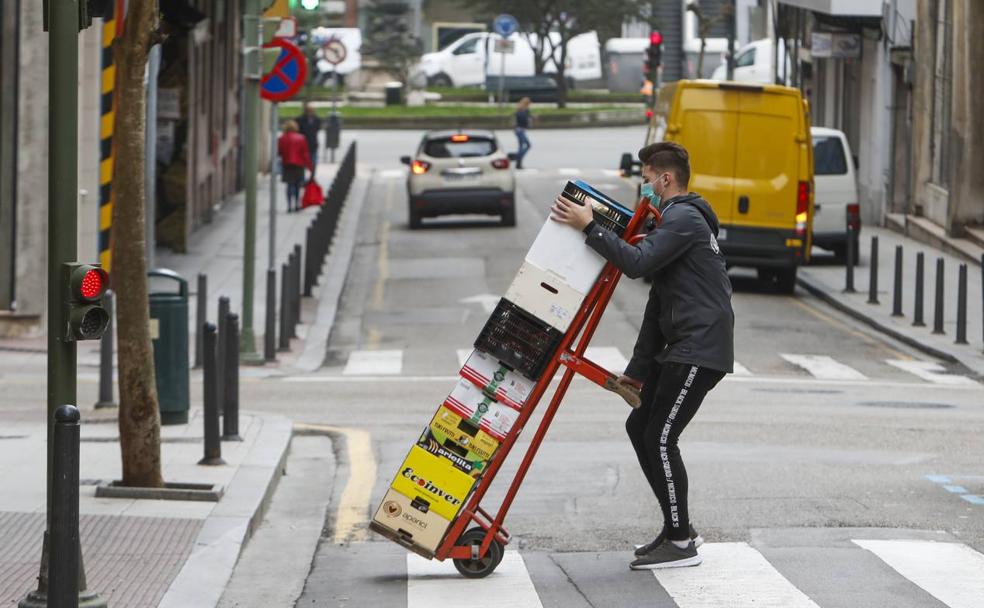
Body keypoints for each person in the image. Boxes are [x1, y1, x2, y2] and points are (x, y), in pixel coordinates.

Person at [550, 141, 734, 570]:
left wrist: (589, 226)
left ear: (665, 178)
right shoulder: (674, 220)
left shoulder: (683, 218)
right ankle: (677, 528)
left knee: (661, 437)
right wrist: (636, 372)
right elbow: (655, 307)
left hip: (700, 348)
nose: (644, 185)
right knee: (640, 427)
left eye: (647, 177)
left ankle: (680, 541)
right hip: (682, 346)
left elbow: (635, 262)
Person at [278, 120, 313, 213]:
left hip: (287, 165)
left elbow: (280, 152)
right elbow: (305, 153)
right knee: (298, 186)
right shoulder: (301, 138)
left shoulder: (282, 138)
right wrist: (310, 166)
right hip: (299, 165)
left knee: (289, 185)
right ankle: (297, 205)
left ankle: (289, 206)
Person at [297, 102, 322, 166]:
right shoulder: (299, 119)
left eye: (311, 110)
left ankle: (312, 175)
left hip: (313, 144)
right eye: (308, 110)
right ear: (305, 111)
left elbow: (317, 129)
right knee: (302, 162)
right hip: (302, 144)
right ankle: (302, 175)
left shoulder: (317, 119)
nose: (310, 112)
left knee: (313, 162)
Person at [513, 97, 532, 169]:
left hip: (518, 130)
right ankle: (518, 157)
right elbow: (524, 121)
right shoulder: (525, 110)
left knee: (521, 146)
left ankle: (518, 163)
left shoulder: (519, 109)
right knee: (528, 145)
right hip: (521, 130)